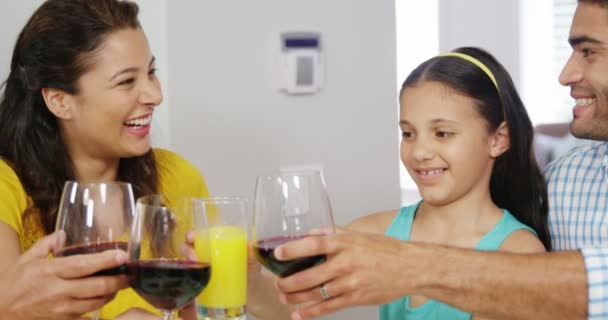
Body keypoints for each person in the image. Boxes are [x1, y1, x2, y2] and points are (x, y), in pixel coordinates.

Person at [272, 1, 607, 320]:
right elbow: (291, 306)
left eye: (443, 133)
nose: (419, 151)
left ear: (498, 138)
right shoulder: (378, 232)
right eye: (408, 133)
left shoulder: (517, 249)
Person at [0, 0, 206, 319]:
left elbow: (219, 307)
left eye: (151, 72)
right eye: (126, 81)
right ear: (59, 101)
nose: (155, 95)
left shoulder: (176, 176)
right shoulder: (6, 186)